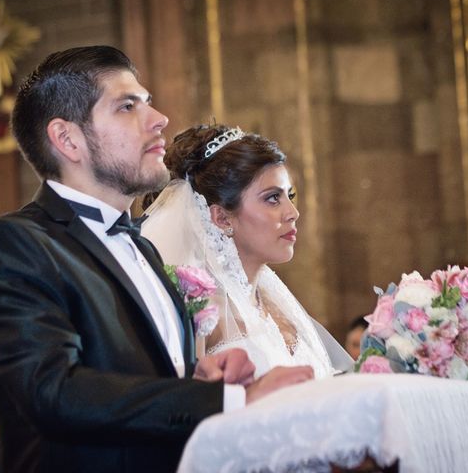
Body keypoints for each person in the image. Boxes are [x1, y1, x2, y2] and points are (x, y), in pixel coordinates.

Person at [0, 46, 313, 473]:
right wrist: (227, 399)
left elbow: (137, 383)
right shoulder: (12, 246)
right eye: (127, 106)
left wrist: (199, 377)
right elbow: (52, 392)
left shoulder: (143, 247)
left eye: (146, 101)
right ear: (68, 139)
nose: (159, 118)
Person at [141, 124, 353, 379]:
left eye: (290, 195)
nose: (293, 213)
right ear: (222, 218)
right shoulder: (201, 312)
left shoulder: (279, 303)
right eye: (272, 198)